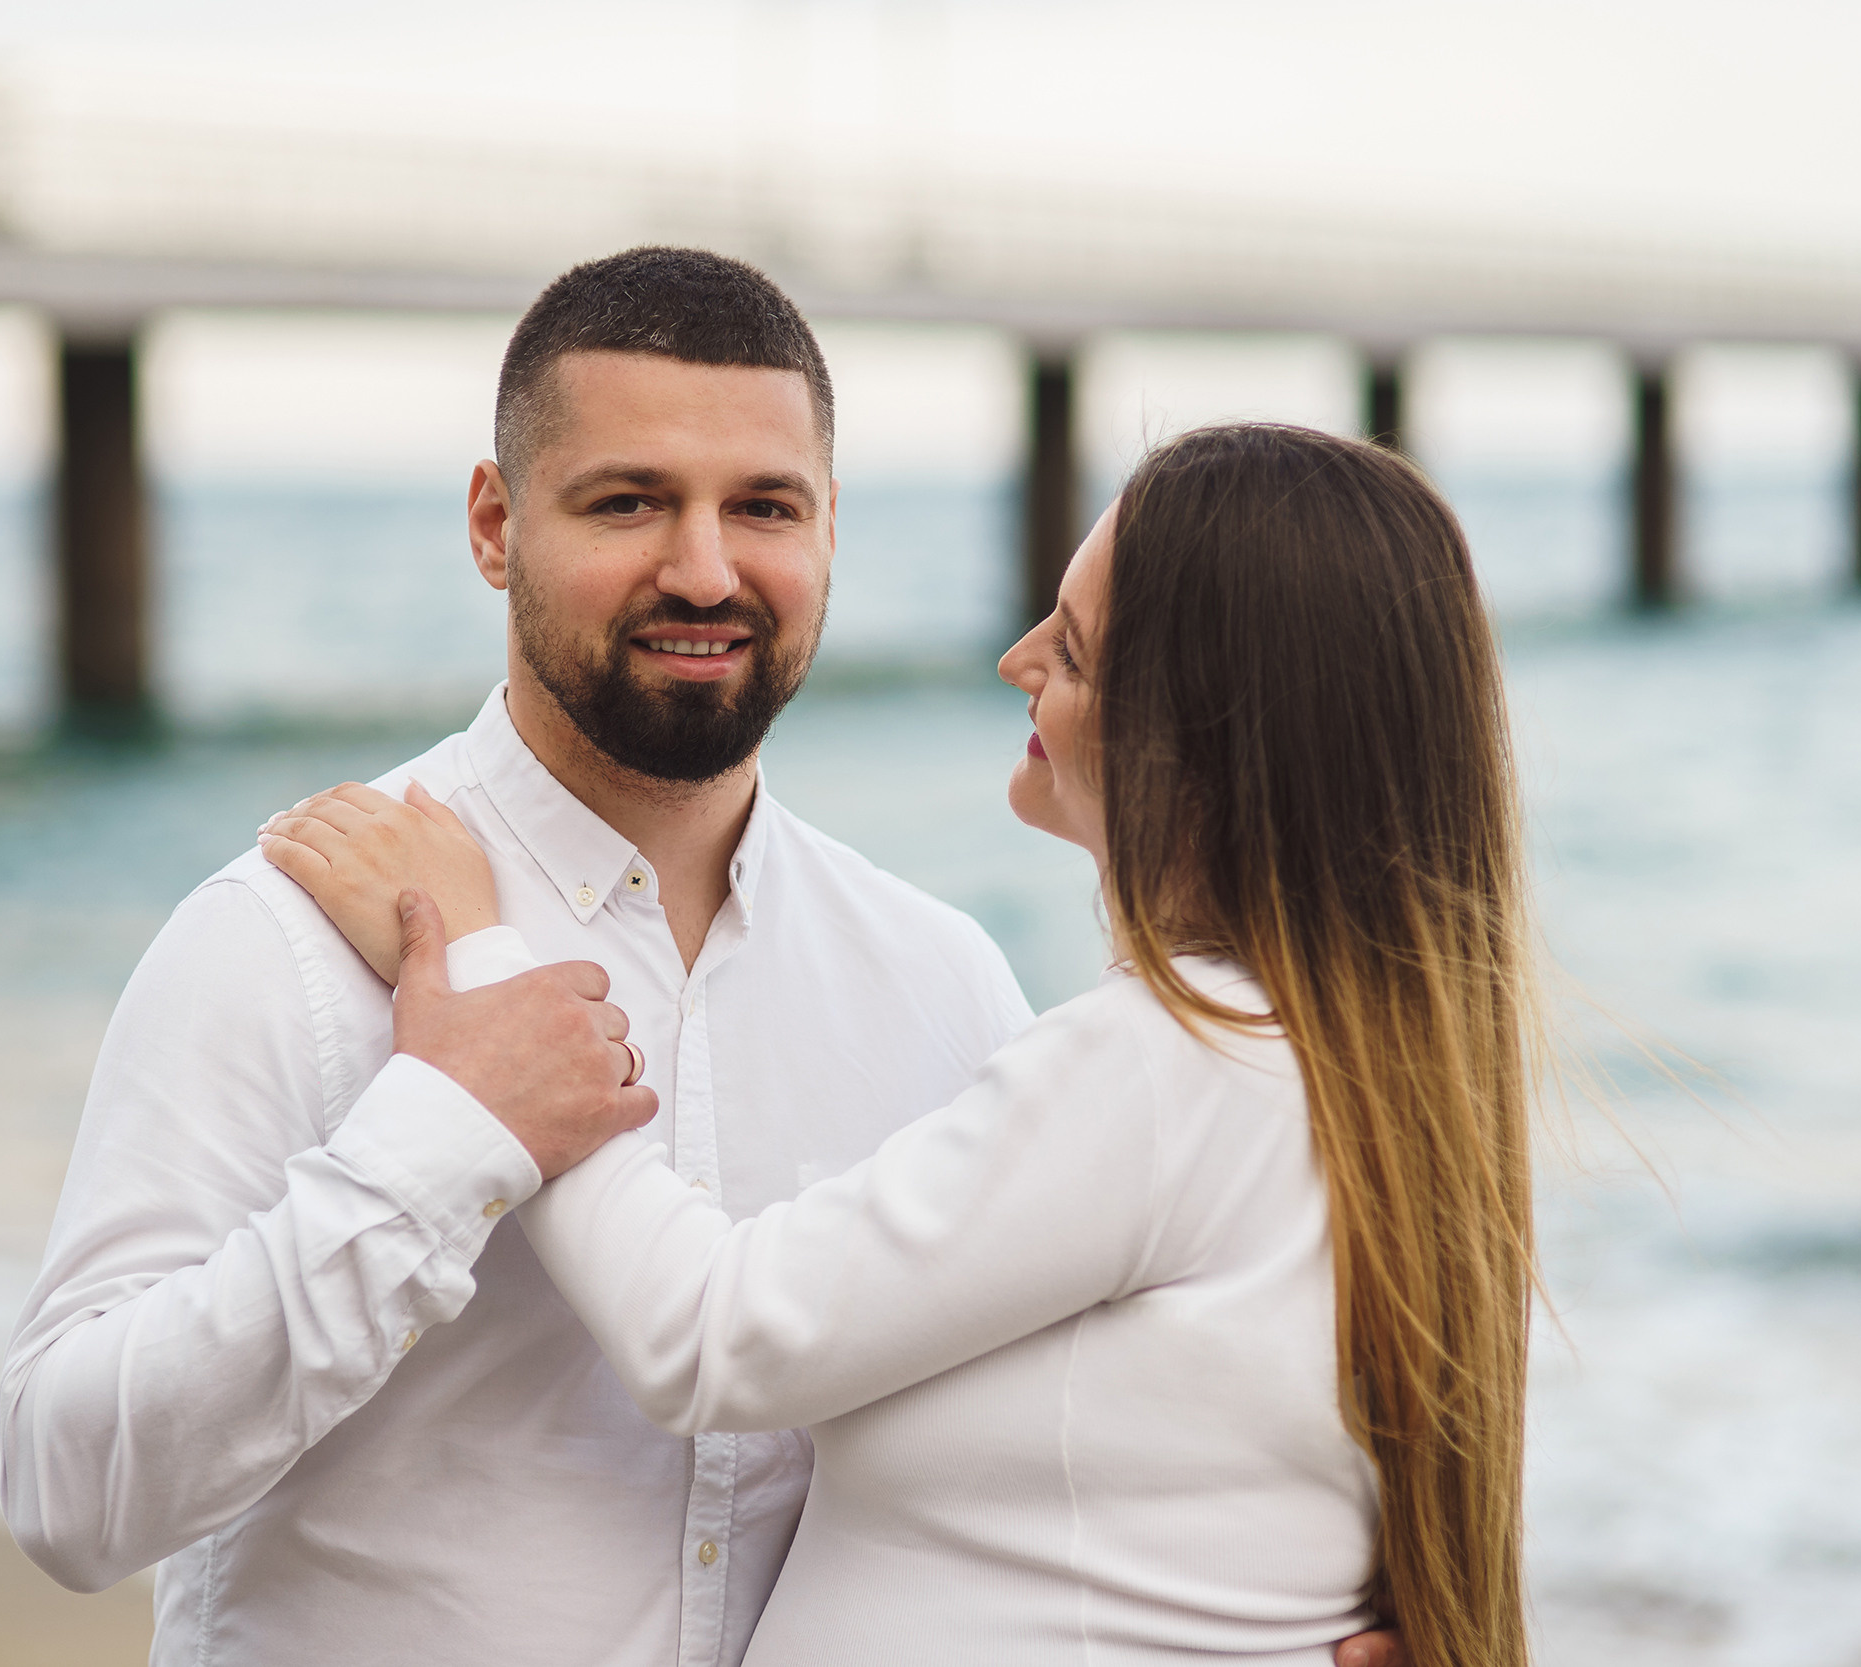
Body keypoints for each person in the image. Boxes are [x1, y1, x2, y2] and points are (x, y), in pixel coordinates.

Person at [3, 243, 1402, 1666]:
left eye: (763, 507)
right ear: (494, 524)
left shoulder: (941, 978)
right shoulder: (289, 936)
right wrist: (434, 1143)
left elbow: (1098, 1439)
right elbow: (68, 1491)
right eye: (628, 502)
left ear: (831, 527)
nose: (704, 570)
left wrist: (1313, 1601)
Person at [265, 423, 1530, 1665]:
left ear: (1203, 738)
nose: (1016, 658)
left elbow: (709, 1336)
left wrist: (482, 965)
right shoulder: (1349, 1076)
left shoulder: (1172, 1060)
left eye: (1073, 650)